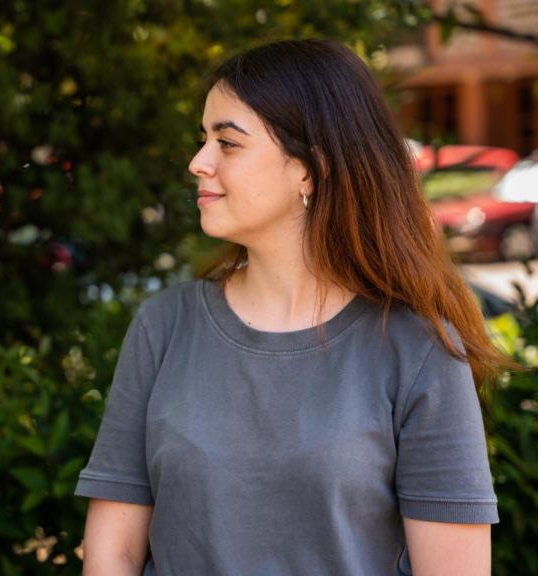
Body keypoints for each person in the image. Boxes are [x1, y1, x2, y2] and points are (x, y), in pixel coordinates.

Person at [76, 39, 504, 576]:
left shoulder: (418, 348)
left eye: (228, 143)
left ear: (309, 169)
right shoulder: (164, 327)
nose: (198, 162)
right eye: (202, 139)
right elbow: (111, 555)